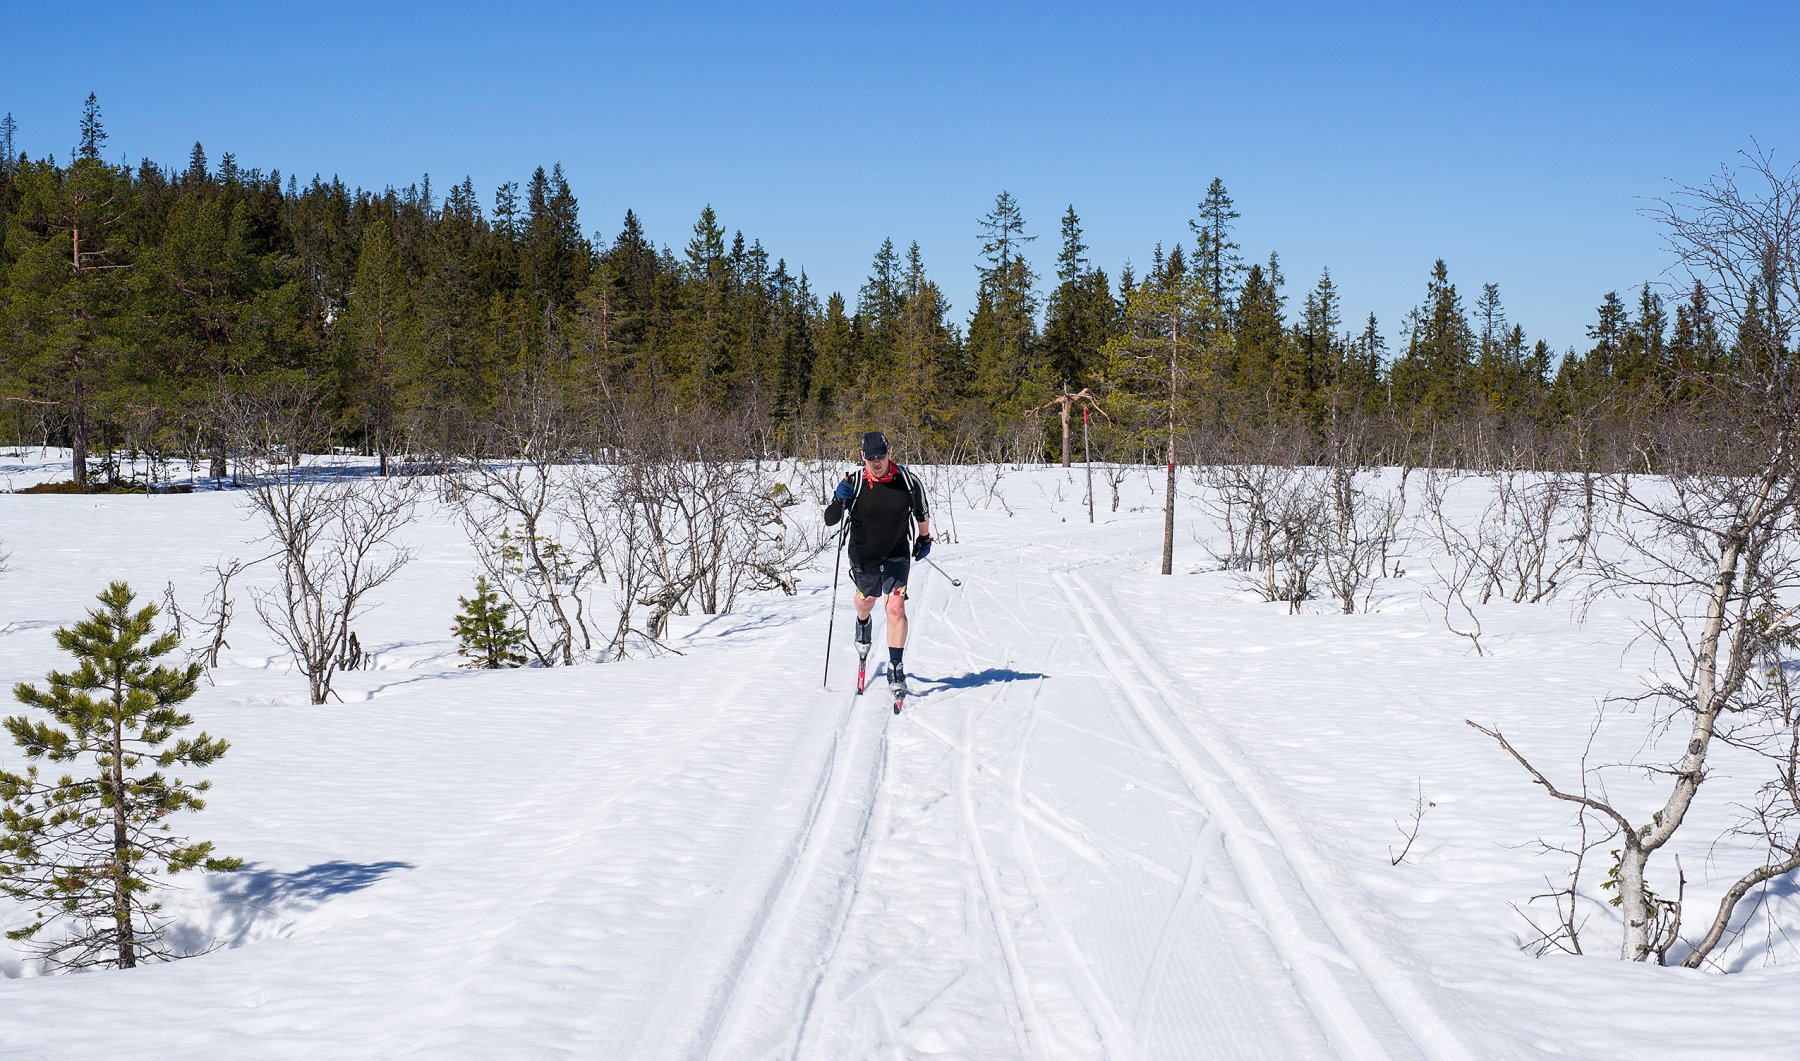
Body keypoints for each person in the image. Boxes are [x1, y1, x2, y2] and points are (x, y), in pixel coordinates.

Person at [823, 430, 931, 696]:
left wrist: (924, 539)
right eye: (870, 458)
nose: (876, 462)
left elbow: (922, 512)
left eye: (880, 456)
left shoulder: (907, 481)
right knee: (866, 601)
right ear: (863, 457)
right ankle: (862, 623)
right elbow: (830, 519)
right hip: (863, 555)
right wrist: (839, 499)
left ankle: (896, 665)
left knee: (896, 607)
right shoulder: (855, 482)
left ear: (889, 453)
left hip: (897, 553)